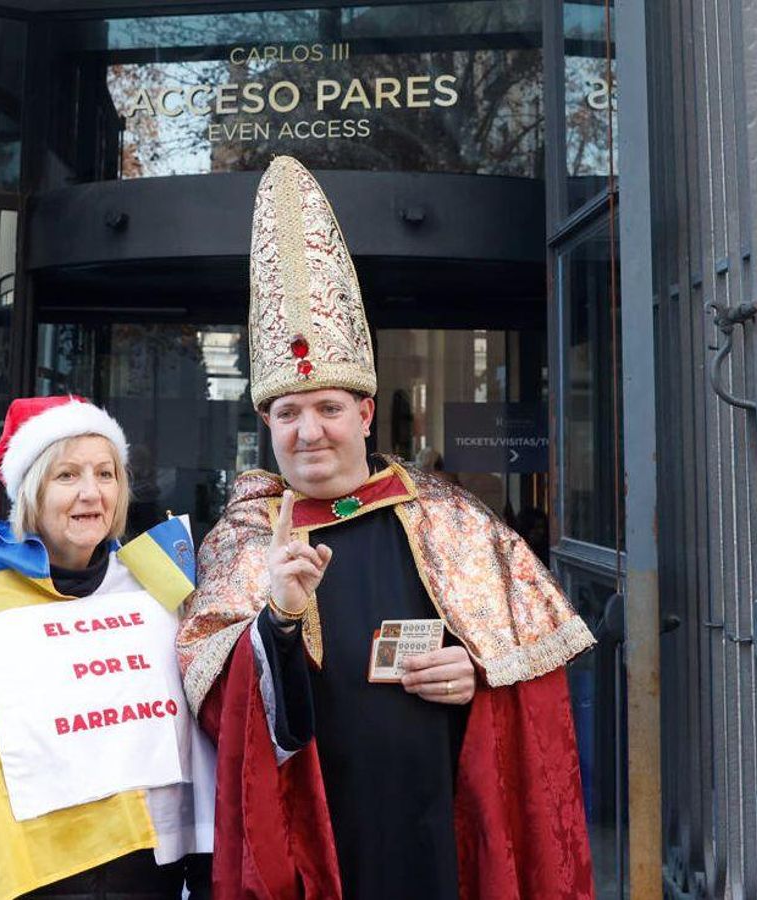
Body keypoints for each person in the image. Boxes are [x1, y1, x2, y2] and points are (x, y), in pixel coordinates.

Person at [176, 157, 597, 899]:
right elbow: (217, 711)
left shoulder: (452, 520)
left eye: (329, 408)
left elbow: (532, 698)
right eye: (288, 413)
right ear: (267, 424)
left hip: (437, 830)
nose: (309, 431)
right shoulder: (243, 540)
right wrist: (278, 621)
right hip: (315, 837)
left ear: (366, 413)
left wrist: (477, 679)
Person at [0, 395, 213, 899]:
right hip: (33, 876)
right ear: (31, 490)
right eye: (67, 475)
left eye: (106, 474)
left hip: (148, 872)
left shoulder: (153, 583)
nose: (91, 493)